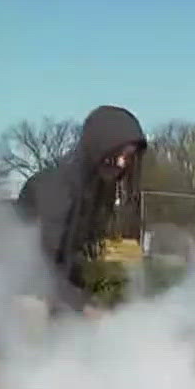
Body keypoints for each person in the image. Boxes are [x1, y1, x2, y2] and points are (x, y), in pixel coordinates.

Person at [16, 105, 147, 315]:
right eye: (116, 156)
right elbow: (44, 265)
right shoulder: (57, 189)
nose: (122, 164)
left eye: (128, 157)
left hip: (49, 292)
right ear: (98, 148)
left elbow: (72, 265)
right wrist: (82, 308)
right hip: (18, 292)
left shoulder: (91, 193)